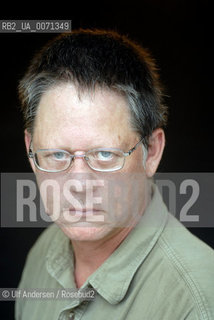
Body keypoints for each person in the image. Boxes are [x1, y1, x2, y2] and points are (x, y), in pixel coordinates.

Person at [15, 29, 214, 320]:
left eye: (105, 154)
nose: (78, 185)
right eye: (58, 154)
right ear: (31, 150)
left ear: (152, 152)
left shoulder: (197, 303)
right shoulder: (43, 252)